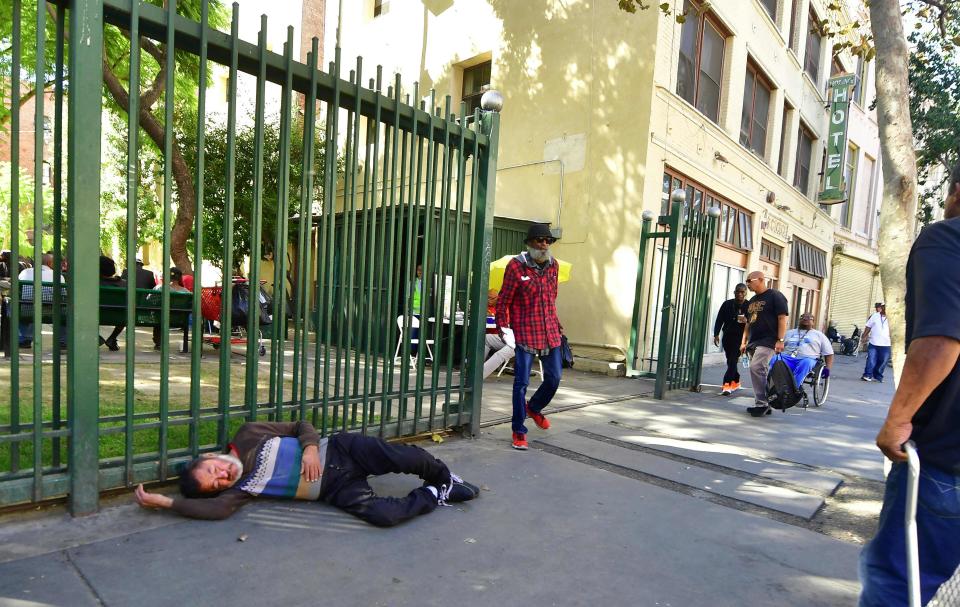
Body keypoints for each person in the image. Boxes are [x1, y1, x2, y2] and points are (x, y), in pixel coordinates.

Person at [858, 162, 960, 607]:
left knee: (898, 581)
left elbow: (940, 340)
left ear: (956, 192)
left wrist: (898, 419)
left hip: (946, 459)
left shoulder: (947, 238)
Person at [133, 421, 479, 527]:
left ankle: (445, 477)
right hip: (336, 487)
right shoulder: (241, 490)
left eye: (214, 469)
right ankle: (436, 494)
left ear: (210, 455)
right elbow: (217, 509)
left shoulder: (248, 434)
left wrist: (310, 447)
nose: (223, 475)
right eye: (217, 483)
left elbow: (301, 425)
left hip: (340, 450)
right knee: (383, 516)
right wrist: (165, 501)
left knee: (405, 456)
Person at [495, 223, 563, 450]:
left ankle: (533, 408)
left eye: (547, 240)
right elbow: (504, 300)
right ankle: (518, 431)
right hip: (524, 331)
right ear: (530, 243)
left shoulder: (555, 266)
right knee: (521, 383)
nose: (544, 244)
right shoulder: (516, 267)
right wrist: (504, 329)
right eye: (539, 240)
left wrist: (558, 325)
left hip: (550, 331)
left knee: (554, 378)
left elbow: (551, 299)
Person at [739, 271, 789, 416]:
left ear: (761, 279)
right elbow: (748, 323)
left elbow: (782, 318)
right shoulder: (753, 300)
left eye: (750, 280)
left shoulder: (775, 295)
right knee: (761, 371)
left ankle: (761, 404)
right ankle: (768, 402)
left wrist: (780, 340)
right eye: (746, 281)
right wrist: (744, 342)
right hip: (754, 341)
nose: (747, 283)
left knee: (756, 367)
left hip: (769, 340)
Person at [15, 253, 66, 349]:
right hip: (52, 312)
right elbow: (63, 296)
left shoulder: (24, 272)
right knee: (65, 309)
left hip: (26, 311)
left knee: (22, 304)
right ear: (50, 263)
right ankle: (63, 341)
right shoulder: (58, 276)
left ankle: (24, 339)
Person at [775, 313, 834, 391]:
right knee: (775, 358)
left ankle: (792, 390)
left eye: (809, 318)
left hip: (807, 359)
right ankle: (771, 387)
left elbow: (829, 353)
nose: (805, 319)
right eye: (802, 317)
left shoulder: (819, 335)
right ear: (799, 320)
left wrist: (827, 370)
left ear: (813, 322)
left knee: (806, 362)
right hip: (787, 358)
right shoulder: (789, 333)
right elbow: (779, 345)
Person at [713, 283, 749, 395]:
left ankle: (727, 385)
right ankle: (736, 381)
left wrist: (746, 321)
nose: (740, 294)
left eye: (742, 292)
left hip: (741, 338)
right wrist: (716, 334)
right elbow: (719, 319)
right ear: (734, 292)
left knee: (732, 360)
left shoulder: (749, 305)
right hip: (727, 337)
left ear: (746, 293)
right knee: (730, 360)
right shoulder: (727, 304)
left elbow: (754, 322)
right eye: (738, 291)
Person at [152, 267, 190, 351]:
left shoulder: (159, 288)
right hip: (180, 319)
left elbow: (149, 300)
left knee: (159, 314)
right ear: (180, 278)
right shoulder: (186, 292)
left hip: (161, 318)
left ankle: (158, 343)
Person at [483, 289, 515, 379]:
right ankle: (475, 368)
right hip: (507, 337)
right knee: (485, 338)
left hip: (522, 340)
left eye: (490, 298)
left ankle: (477, 376)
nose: (488, 300)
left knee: (500, 354)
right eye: (487, 298)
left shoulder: (506, 307)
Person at [99, 255, 126, 351]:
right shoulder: (124, 284)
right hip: (120, 316)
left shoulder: (94, 283)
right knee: (126, 314)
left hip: (97, 314)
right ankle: (112, 338)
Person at [861, 302, 891, 383]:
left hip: (886, 344)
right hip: (874, 342)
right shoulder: (875, 316)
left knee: (883, 361)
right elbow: (868, 326)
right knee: (871, 359)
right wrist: (864, 336)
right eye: (883, 307)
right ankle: (867, 375)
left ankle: (878, 376)